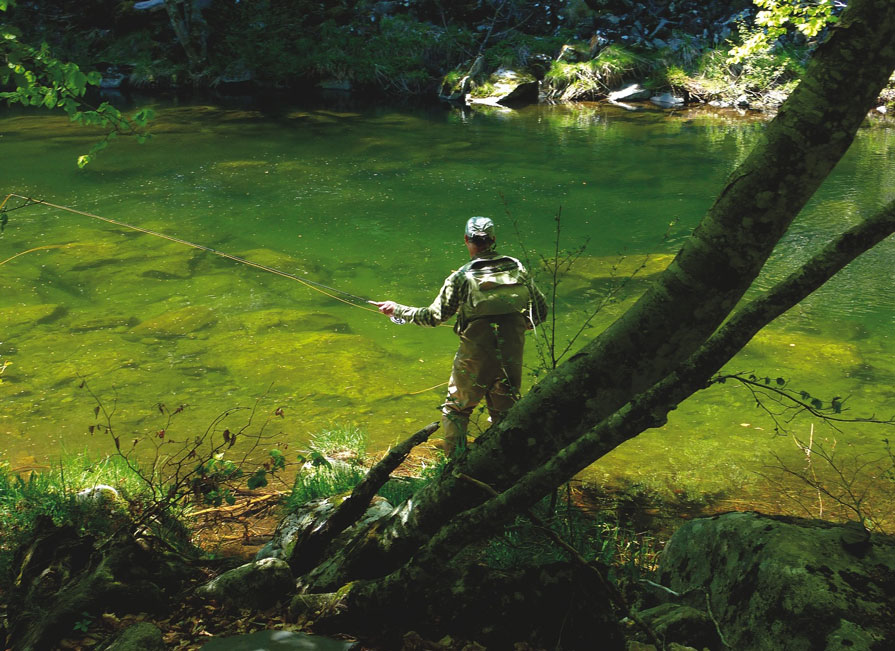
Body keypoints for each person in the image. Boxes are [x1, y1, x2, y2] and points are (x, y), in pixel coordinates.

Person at [373, 216, 547, 457]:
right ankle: (505, 465)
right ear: (494, 240)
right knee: (505, 413)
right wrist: (515, 328)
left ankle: (454, 470)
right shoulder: (517, 268)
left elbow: (432, 317)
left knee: (457, 410)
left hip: (474, 358)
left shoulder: (461, 277)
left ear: (466, 240)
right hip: (511, 355)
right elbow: (540, 310)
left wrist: (397, 310)